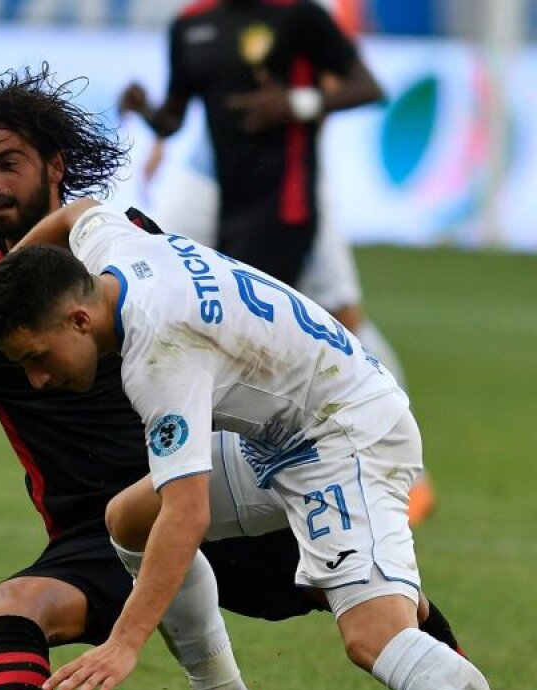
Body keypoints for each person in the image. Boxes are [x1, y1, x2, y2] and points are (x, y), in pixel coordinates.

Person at [0, 198, 537, 690]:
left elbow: (189, 512)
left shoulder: (156, 353)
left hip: (345, 435)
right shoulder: (119, 253)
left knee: (372, 635)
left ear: (80, 319)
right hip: (281, 432)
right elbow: (78, 210)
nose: (36, 379)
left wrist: (127, 640)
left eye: (36, 356)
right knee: (130, 516)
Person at [122, 0, 435, 523]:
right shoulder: (193, 24)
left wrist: (296, 104)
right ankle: (203, 471)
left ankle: (399, 467)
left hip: (292, 194)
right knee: (177, 301)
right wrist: (148, 117)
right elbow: (176, 111)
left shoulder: (300, 17)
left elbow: (362, 84)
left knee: (337, 322)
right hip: (215, 188)